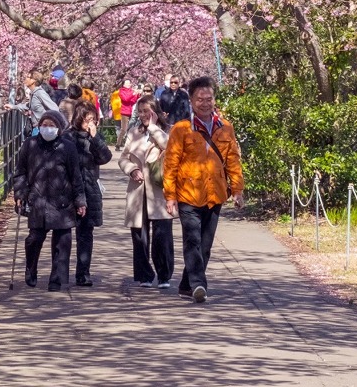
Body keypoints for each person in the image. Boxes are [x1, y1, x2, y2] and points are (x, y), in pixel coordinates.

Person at [163, 75, 244, 304]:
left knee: (205, 246)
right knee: (192, 240)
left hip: (215, 194)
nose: (205, 103)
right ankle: (199, 284)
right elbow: (170, 164)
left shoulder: (226, 128)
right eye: (200, 99)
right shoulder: (181, 129)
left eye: (209, 98)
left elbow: (233, 161)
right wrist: (170, 196)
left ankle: (186, 285)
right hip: (188, 194)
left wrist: (237, 190)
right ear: (191, 101)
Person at [13, 110, 87, 291]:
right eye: (44, 125)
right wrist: (20, 193)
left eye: (52, 126)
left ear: (59, 129)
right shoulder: (29, 145)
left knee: (63, 241)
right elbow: (20, 172)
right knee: (34, 239)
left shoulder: (67, 147)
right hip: (37, 201)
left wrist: (80, 200)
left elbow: (76, 176)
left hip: (62, 201)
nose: (47, 129)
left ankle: (57, 279)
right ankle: (31, 269)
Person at [119, 97, 174, 288]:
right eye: (140, 111)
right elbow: (123, 158)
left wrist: (153, 128)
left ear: (156, 112)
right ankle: (144, 275)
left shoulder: (167, 131)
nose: (143, 115)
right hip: (137, 189)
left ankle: (164, 275)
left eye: (147, 111)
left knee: (162, 235)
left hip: (159, 190)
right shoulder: (133, 133)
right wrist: (131, 169)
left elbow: (170, 147)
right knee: (139, 235)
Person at [65, 101, 112, 286]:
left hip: (90, 190)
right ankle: (60, 271)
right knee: (64, 234)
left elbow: (105, 157)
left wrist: (95, 138)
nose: (90, 123)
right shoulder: (68, 137)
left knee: (86, 233)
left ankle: (83, 273)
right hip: (70, 191)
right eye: (87, 119)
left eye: (93, 119)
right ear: (78, 119)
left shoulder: (94, 137)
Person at [116, 78, 138, 150]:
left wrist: (137, 94)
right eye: (127, 83)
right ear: (124, 84)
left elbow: (133, 100)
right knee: (124, 129)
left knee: (132, 128)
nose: (129, 84)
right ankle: (118, 144)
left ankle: (129, 144)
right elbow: (125, 99)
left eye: (130, 83)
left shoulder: (131, 91)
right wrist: (133, 94)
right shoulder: (121, 91)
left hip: (131, 111)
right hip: (125, 112)